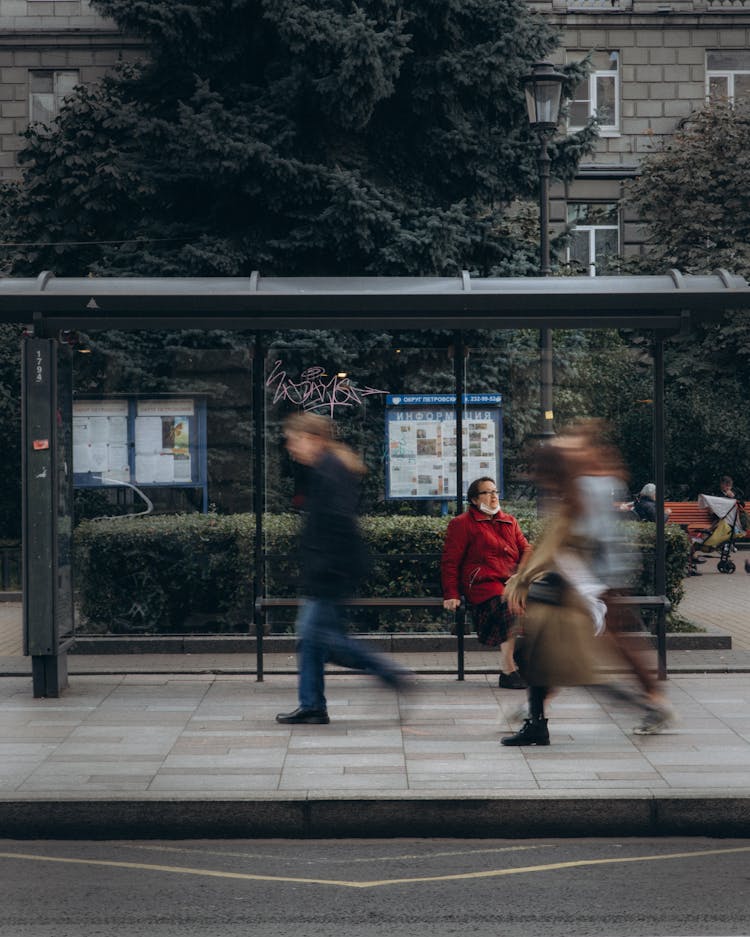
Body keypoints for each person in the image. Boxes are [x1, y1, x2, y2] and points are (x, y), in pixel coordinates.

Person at [275, 412, 409, 726]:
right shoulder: (326, 468)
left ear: (314, 439)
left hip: (330, 573)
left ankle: (388, 673)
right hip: (328, 571)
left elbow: (338, 525)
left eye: (295, 440)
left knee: (323, 639)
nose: (292, 448)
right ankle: (312, 705)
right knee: (312, 639)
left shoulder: (330, 471)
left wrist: (322, 568)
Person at [441, 477, 531, 689]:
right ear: (474, 499)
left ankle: (524, 665)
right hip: (483, 585)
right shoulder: (461, 524)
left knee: (538, 606)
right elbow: (450, 562)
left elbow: (526, 549)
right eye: (487, 492)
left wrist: (519, 574)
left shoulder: (509, 520)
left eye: (495, 491)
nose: (493, 496)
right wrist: (451, 594)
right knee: (509, 607)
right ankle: (508, 670)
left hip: (511, 581)